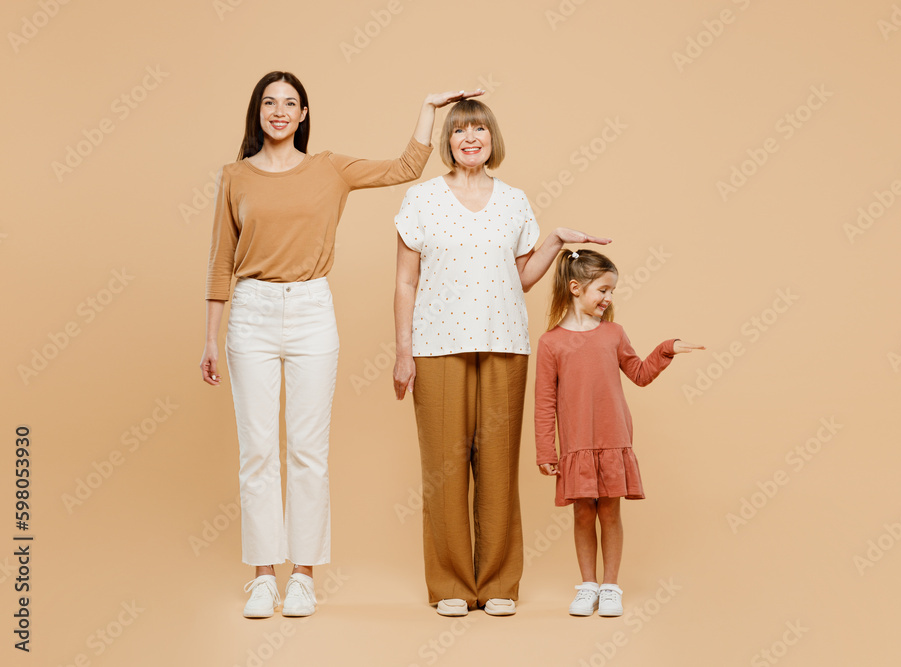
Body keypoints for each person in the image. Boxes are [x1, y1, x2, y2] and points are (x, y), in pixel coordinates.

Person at [200, 70, 478, 618]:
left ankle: (302, 575)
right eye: (270, 102)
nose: (280, 111)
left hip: (310, 311)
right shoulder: (235, 176)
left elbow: (404, 168)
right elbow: (220, 263)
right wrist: (210, 338)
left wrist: (428, 106)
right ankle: (263, 577)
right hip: (251, 313)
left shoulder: (329, 168)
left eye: (291, 103)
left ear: (303, 115)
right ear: (258, 112)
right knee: (257, 452)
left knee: (307, 450)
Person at [392, 98, 611, 617]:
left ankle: (496, 585)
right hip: (436, 346)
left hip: (505, 343)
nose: (471, 137)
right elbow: (405, 280)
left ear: (493, 138)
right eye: (461, 129)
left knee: (497, 469)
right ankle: (449, 583)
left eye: (480, 129)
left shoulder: (514, 201)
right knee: (445, 470)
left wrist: (555, 240)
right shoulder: (420, 199)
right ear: (447, 139)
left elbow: (520, 279)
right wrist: (403, 349)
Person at [533, 249, 704, 617]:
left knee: (610, 513)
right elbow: (544, 402)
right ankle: (588, 586)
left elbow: (640, 374)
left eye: (612, 291)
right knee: (582, 515)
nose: (609, 299)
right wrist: (546, 450)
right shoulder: (551, 343)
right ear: (575, 288)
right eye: (603, 290)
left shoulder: (614, 333)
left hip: (613, 439)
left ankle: (610, 587)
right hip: (577, 444)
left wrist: (665, 350)